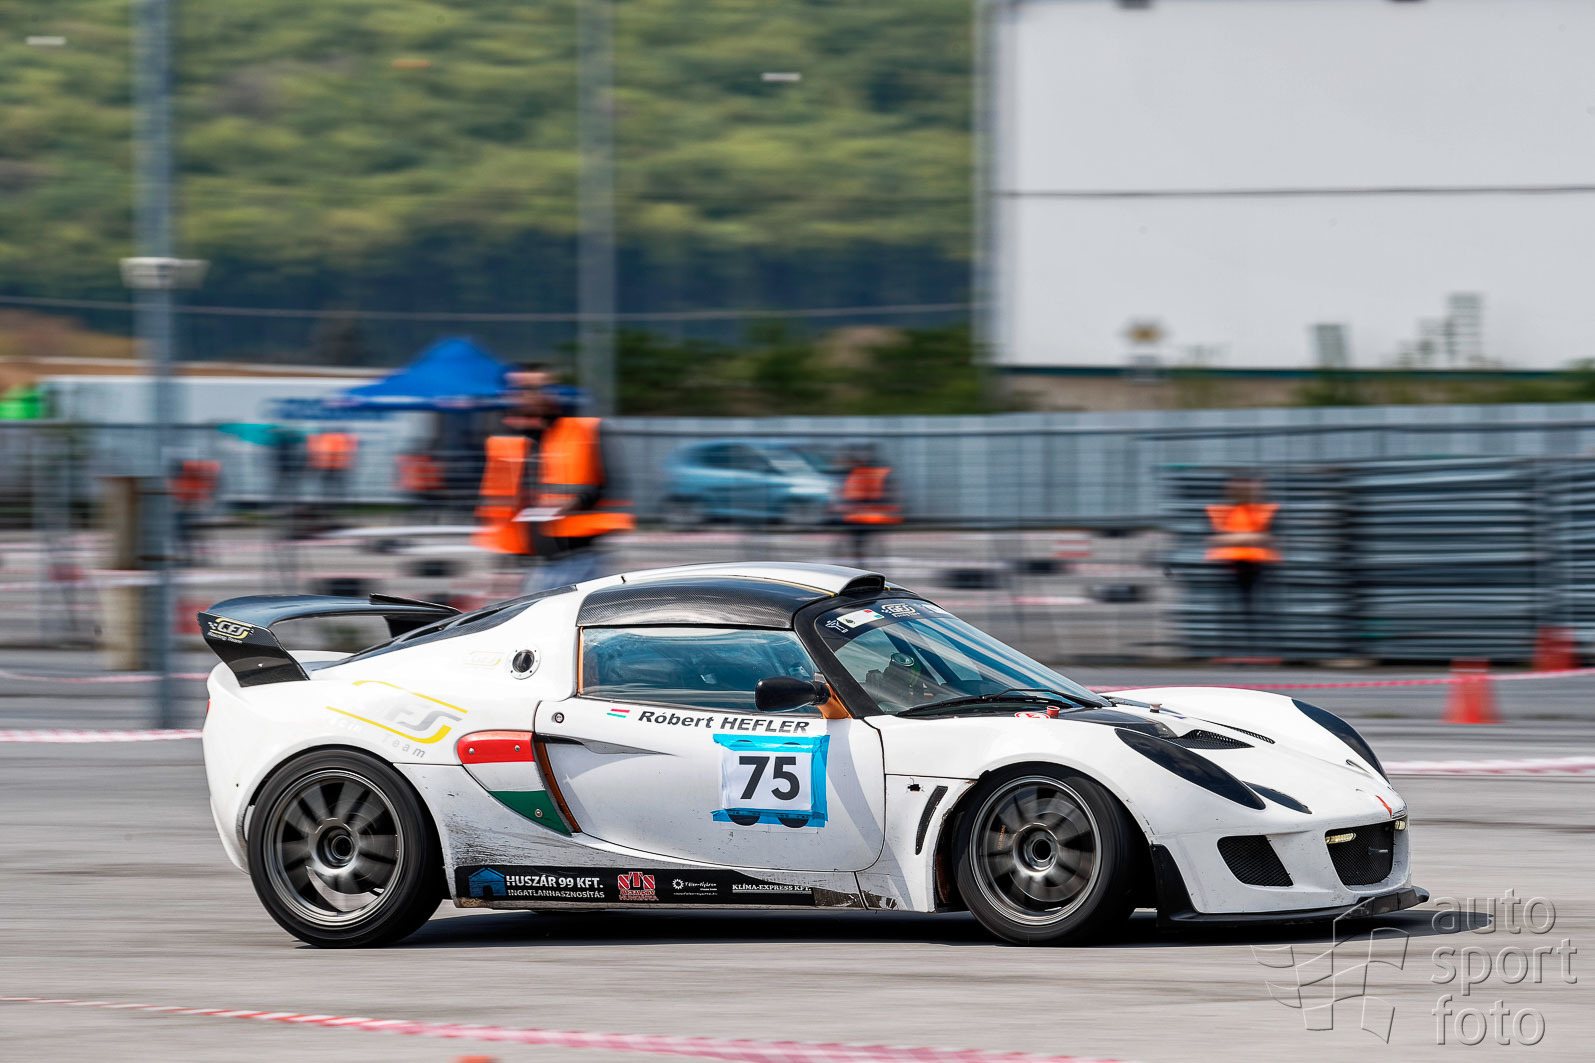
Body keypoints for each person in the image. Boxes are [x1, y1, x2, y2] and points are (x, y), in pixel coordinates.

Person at [475, 364, 633, 593]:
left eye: (538, 388)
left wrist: (575, 502)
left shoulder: (584, 431)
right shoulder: (507, 441)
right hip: (527, 563)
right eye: (520, 388)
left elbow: (609, 486)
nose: (529, 395)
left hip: (577, 557)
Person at [1205, 474, 1279, 659]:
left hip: (1259, 567)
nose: (1242, 492)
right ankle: (1232, 652)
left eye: (1247, 488)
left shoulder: (1265, 511)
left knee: (1257, 611)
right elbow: (1212, 540)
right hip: (1228, 567)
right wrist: (1250, 537)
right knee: (1229, 613)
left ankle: (1258, 652)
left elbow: (1270, 539)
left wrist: (1233, 538)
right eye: (1237, 488)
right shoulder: (1220, 512)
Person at [838, 444, 899, 565]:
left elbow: (860, 496)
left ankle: (860, 559)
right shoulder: (874, 471)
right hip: (869, 513)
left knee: (856, 531)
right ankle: (860, 557)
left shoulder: (866, 473)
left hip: (869, 515)